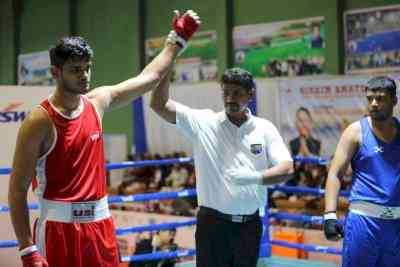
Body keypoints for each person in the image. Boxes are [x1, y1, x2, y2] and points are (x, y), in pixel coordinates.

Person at [8, 10, 200, 267]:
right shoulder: (39, 121)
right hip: (58, 230)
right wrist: (26, 247)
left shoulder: (97, 102)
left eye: (87, 68)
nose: (84, 75)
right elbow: (17, 190)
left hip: (100, 226)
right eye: (75, 70)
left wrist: (176, 41)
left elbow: (149, 78)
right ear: (56, 72)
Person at [150, 67, 294, 267]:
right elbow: (159, 104)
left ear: (250, 94)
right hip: (213, 226)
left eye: (237, 93)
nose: (230, 98)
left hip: (249, 226)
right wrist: (167, 65)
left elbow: (287, 168)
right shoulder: (204, 122)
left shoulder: (264, 128)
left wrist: (254, 177)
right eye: (226, 92)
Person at [324, 76, 400, 267]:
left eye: (381, 98)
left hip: (396, 225)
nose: (374, 103)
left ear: (394, 101)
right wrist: (330, 215)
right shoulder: (355, 132)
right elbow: (335, 174)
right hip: (363, 222)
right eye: (370, 98)